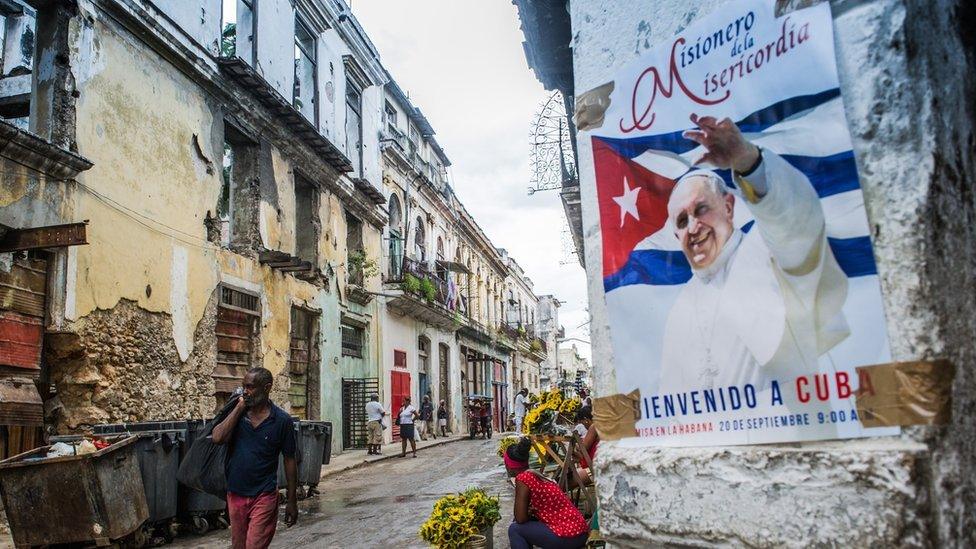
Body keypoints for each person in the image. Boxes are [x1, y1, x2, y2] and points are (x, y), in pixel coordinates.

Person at [659, 113, 850, 393]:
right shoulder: (680, 307)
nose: (694, 227)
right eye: (682, 221)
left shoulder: (763, 248)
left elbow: (795, 221)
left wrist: (747, 162)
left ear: (728, 206)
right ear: (677, 236)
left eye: (701, 209)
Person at [212, 367, 297, 549]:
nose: (245, 391)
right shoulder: (237, 413)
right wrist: (239, 408)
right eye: (244, 386)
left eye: (250, 387)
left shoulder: (282, 421)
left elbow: (290, 460)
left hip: (264, 495)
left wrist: (292, 501)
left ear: (266, 388)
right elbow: (218, 438)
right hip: (235, 494)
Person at [506, 442, 589, 549]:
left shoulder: (523, 479)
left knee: (515, 529)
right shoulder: (536, 474)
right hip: (580, 532)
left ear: (509, 466)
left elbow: (520, 518)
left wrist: (527, 512)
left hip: (568, 535)